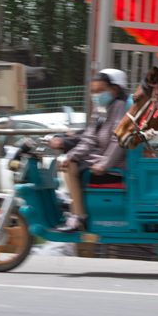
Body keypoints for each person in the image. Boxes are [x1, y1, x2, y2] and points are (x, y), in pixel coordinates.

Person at [49, 68, 129, 232]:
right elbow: (89, 138)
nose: (96, 95)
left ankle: (78, 217)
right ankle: (75, 210)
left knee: (71, 167)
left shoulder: (121, 107)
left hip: (116, 165)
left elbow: (118, 140)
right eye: (93, 91)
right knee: (69, 162)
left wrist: (105, 164)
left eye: (100, 91)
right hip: (99, 160)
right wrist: (71, 155)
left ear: (114, 89)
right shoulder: (101, 109)